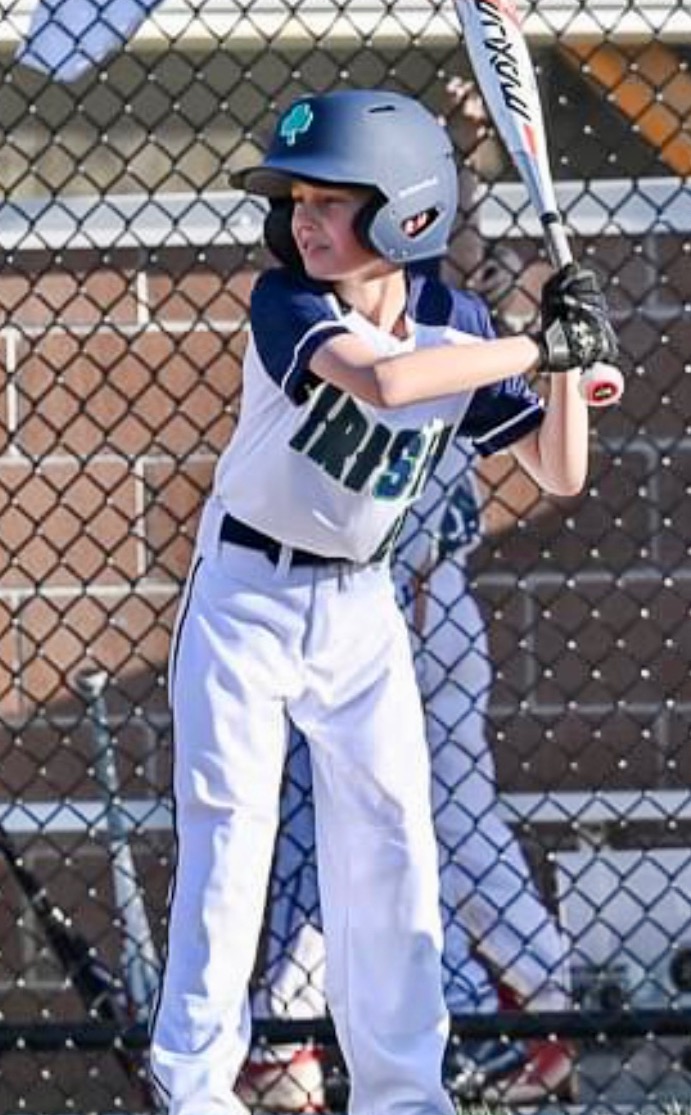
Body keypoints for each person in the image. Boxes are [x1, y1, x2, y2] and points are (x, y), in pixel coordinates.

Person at [148, 87, 617, 1115]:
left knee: (393, 843)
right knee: (229, 836)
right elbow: (388, 384)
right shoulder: (289, 303)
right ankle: (195, 1089)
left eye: (330, 200)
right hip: (245, 594)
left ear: (404, 210)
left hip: (362, 605)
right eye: (297, 202)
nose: (304, 220)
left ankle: (404, 1094)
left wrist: (571, 367)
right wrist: (541, 347)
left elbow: (558, 469)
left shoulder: (458, 323)